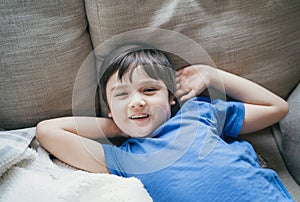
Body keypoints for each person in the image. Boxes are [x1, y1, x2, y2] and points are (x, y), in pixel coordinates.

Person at [36, 44, 293, 201]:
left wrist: (211, 75)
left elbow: (277, 108)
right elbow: (47, 131)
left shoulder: (198, 114)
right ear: (110, 109)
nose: (137, 102)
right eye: (122, 95)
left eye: (149, 90)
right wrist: (117, 127)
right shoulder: (122, 158)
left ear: (171, 98)